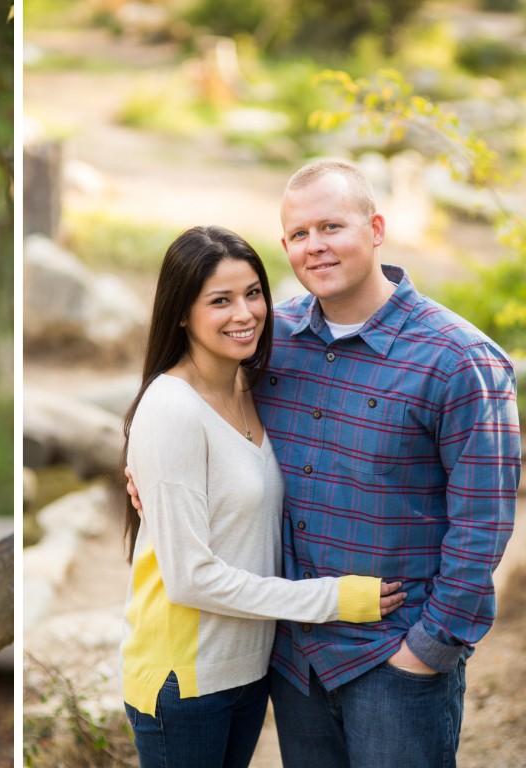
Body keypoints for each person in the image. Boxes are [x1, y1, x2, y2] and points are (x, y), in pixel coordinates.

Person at [255, 159, 521, 767]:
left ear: (375, 228)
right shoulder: (274, 341)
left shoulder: (460, 360)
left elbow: (482, 523)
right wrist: (145, 469)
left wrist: (429, 649)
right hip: (297, 658)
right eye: (299, 234)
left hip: (394, 662)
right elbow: (199, 406)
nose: (314, 247)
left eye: (331, 227)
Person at [120, 225, 406, 768]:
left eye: (253, 293)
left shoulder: (254, 386)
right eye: (220, 301)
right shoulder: (172, 410)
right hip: (184, 676)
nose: (244, 314)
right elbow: (190, 578)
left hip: (249, 668)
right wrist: (331, 599)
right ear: (182, 312)